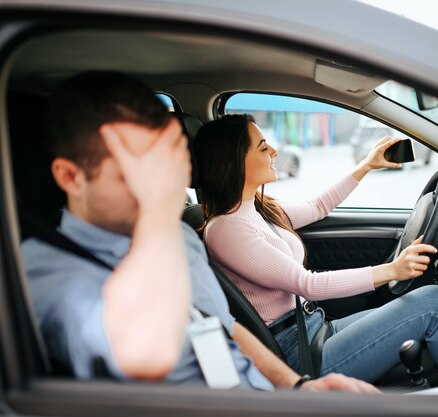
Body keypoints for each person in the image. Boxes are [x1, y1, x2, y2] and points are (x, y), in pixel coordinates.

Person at [20, 71, 377, 393]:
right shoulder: (42, 273)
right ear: (70, 177)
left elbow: (224, 327)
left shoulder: (180, 237)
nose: (160, 181)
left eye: (164, 161)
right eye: (133, 168)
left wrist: (296, 386)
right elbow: (140, 352)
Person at [196, 114, 438, 388]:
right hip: (301, 355)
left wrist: (366, 165)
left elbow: (318, 207)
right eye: (262, 147)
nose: (273, 151)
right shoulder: (227, 229)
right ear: (234, 161)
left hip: (315, 328)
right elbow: (307, 284)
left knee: (435, 301)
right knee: (437, 302)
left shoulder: (258, 209)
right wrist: (392, 270)